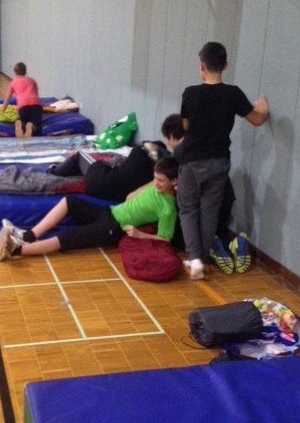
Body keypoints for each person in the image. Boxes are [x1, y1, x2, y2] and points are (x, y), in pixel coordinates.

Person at [176, 42, 269, 281]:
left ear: (202, 66)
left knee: (188, 209)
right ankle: (203, 257)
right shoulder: (233, 94)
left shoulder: (190, 93)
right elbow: (257, 120)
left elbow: (185, 125)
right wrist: (263, 109)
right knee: (210, 211)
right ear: (226, 65)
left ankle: (194, 258)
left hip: (192, 161)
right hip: (219, 161)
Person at [0, 155, 179, 261]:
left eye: (161, 181)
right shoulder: (156, 185)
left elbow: (165, 239)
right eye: (155, 178)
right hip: (110, 211)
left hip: (113, 228)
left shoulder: (168, 209)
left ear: (174, 182)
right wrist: (138, 190)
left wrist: (140, 235)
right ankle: (28, 236)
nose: (156, 183)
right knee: (69, 202)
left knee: (69, 236)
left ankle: (15, 250)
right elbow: (142, 189)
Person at [161, 113, 238, 273]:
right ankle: (223, 245)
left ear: (171, 136)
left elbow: (190, 203)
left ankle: (197, 257)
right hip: (225, 197)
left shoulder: (181, 152)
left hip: (208, 201)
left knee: (187, 213)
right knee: (211, 216)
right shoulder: (206, 140)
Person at [48, 141, 169, 202]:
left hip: (98, 179)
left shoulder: (139, 152)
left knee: (80, 156)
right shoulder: (154, 177)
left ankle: (53, 170)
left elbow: (143, 145)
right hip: (112, 194)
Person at [1, 62, 42, 137]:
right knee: (36, 124)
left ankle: (22, 125)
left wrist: (2, 110)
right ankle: (32, 126)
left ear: (15, 72)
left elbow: (7, 99)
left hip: (23, 106)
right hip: (35, 104)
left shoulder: (13, 82)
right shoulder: (32, 80)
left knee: (24, 120)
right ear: (25, 71)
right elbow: (36, 95)